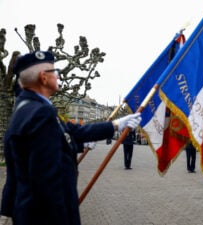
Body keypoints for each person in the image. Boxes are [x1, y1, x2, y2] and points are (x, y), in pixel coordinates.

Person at [0, 51, 142, 225]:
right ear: (44, 78)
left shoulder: (28, 108)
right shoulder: (40, 114)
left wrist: (115, 125)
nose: (59, 76)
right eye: (55, 71)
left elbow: (72, 132)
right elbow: (49, 183)